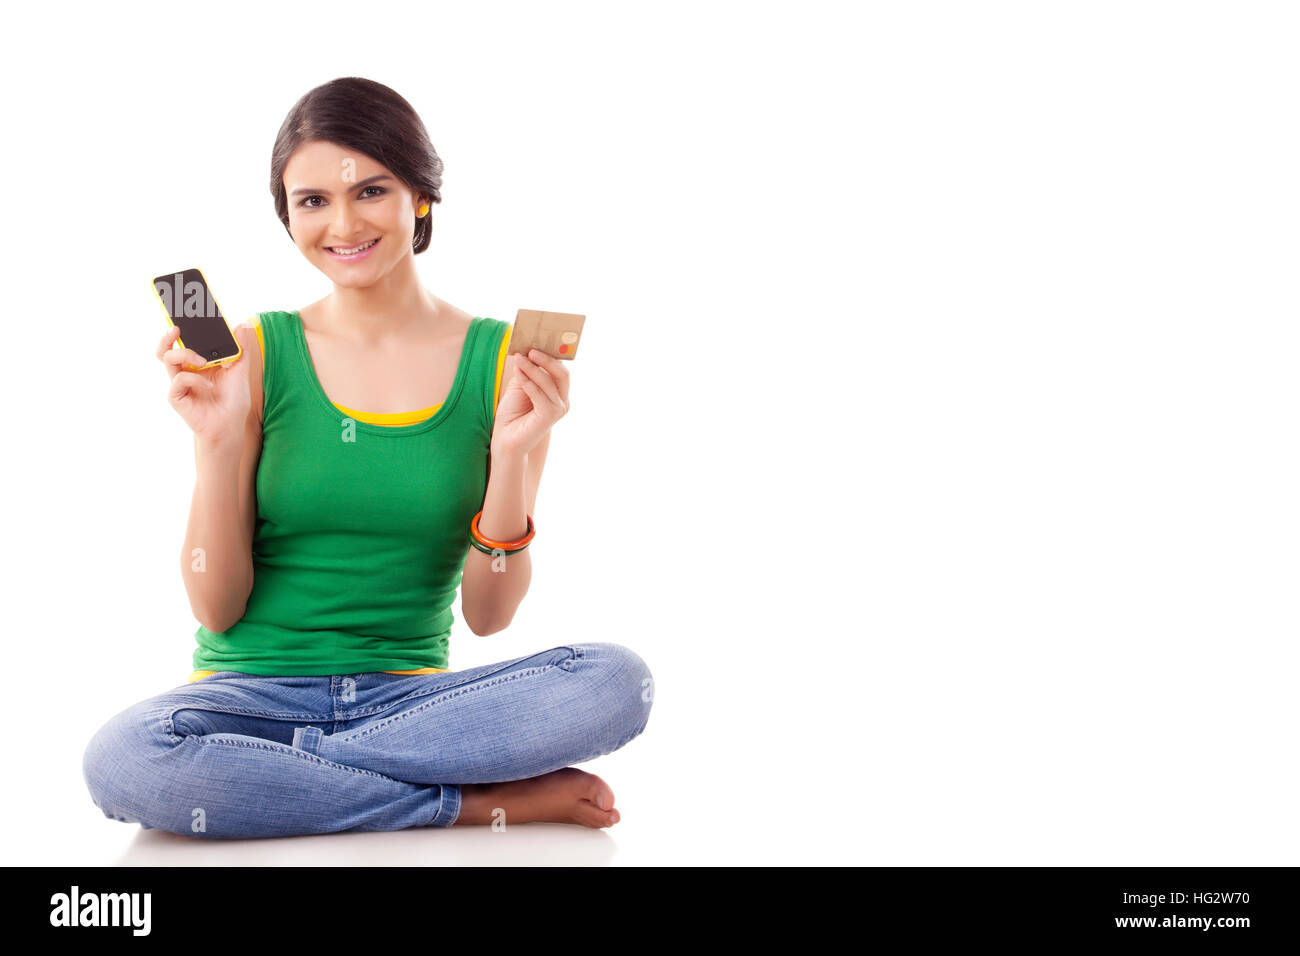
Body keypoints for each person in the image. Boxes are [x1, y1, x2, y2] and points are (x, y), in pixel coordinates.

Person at [81, 76, 653, 839]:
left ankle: (301, 777)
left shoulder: (505, 362)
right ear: (286, 215)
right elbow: (215, 608)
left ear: (421, 196)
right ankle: (460, 802)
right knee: (123, 760)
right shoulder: (248, 354)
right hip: (249, 701)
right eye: (311, 200)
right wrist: (217, 443)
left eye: (372, 190)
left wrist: (512, 452)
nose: (342, 223)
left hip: (416, 702)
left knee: (618, 683)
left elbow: (488, 618)